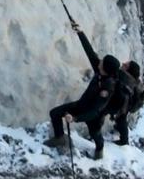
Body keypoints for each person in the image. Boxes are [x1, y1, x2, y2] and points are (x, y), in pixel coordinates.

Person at [44, 22, 121, 160]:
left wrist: (75, 118)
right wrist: (80, 33)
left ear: (106, 70)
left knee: (95, 134)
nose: (100, 61)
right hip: (81, 105)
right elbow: (90, 52)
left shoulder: (108, 87)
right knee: (54, 113)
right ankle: (60, 138)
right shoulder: (101, 70)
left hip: (93, 116)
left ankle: (100, 149)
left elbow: (95, 111)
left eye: (102, 62)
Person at [107, 60, 144, 146]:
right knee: (121, 119)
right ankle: (123, 138)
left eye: (125, 65)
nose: (123, 64)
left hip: (122, 105)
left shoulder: (124, 77)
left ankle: (124, 141)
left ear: (128, 69)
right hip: (126, 105)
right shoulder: (135, 81)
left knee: (121, 119)